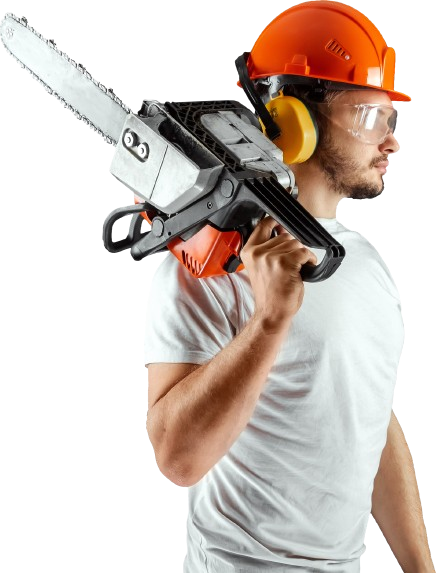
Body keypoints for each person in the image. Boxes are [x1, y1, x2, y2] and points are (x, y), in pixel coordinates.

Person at [144, 1, 434, 572]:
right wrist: (269, 319)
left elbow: (370, 421)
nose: (392, 143)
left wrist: (421, 568)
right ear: (293, 120)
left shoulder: (368, 267)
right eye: (371, 118)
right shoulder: (208, 265)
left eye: (391, 121)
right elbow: (178, 458)